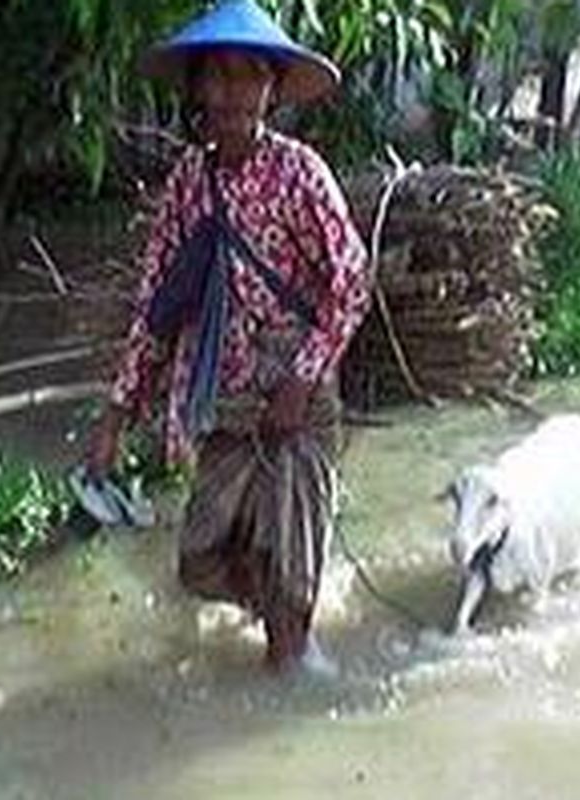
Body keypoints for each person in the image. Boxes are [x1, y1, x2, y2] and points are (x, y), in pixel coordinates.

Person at [87, 0, 370, 674]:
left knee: (289, 578)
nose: (231, 93)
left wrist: (301, 379)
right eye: (218, 76)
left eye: (249, 77)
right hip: (228, 398)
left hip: (295, 400)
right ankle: (277, 612)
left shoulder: (302, 173)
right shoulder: (190, 183)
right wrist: (116, 416)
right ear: (197, 89)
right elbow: (158, 306)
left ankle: (291, 650)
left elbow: (351, 281)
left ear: (272, 90)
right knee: (200, 560)